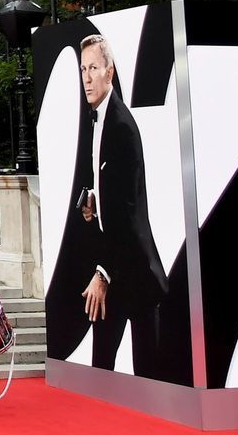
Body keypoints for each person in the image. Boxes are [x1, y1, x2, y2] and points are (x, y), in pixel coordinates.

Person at [45, 33, 166, 373]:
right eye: (82, 68)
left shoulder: (121, 126)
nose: (85, 77)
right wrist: (94, 202)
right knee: (103, 370)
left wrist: (102, 273)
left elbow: (129, 212)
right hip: (114, 266)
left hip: (134, 270)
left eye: (93, 68)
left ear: (109, 73)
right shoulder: (97, 117)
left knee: (147, 375)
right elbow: (114, 191)